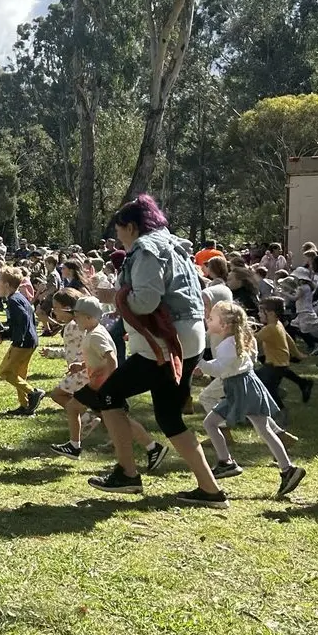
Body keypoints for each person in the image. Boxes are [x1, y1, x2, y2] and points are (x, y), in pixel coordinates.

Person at [76, 194, 228, 508]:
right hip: (189, 339)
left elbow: (145, 300)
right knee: (169, 416)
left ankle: (127, 473)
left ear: (131, 227)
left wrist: (113, 296)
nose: (117, 237)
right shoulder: (174, 244)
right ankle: (211, 491)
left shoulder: (145, 249)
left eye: (119, 230)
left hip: (164, 343)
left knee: (107, 395)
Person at [199, 301, 307, 497]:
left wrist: (199, 361)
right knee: (218, 424)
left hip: (242, 388)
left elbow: (219, 369)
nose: (208, 320)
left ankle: (285, 468)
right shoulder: (231, 342)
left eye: (212, 318)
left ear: (224, 325)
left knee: (256, 428)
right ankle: (228, 462)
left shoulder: (228, 345)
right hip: (241, 387)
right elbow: (227, 365)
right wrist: (206, 364)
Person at [49, 293, 166, 467]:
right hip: (98, 384)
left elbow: (111, 358)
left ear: (89, 317)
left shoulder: (96, 335)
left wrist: (111, 383)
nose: (75, 319)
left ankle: (153, 447)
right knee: (77, 408)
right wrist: (81, 365)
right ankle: (74, 446)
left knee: (120, 419)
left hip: (102, 386)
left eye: (78, 316)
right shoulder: (92, 332)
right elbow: (98, 357)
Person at [0, 266, 44, 417]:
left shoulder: (14, 301)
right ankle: (25, 406)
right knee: (19, 374)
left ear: (6, 284)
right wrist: (4, 334)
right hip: (30, 341)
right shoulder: (19, 297)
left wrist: (17, 339)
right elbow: (24, 321)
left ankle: (33, 393)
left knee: (5, 371)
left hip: (23, 343)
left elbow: (22, 320)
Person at [255, 297, 314, 412]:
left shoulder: (269, 329)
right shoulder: (278, 324)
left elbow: (253, 340)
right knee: (261, 382)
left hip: (274, 365)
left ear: (271, 313)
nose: (259, 313)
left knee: (267, 388)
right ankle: (293, 388)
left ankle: (281, 412)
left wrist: (240, 332)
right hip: (280, 364)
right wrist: (297, 354)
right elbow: (289, 339)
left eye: (261, 311)